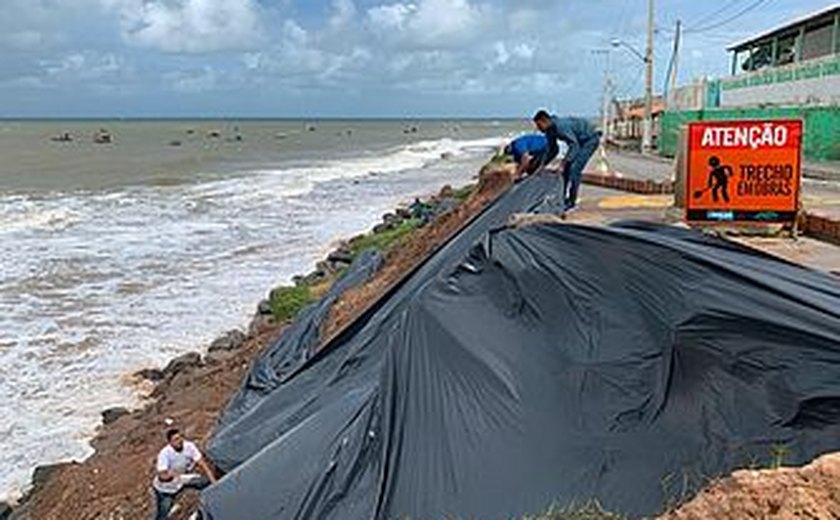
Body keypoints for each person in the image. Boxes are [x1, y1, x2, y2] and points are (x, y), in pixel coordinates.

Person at [533, 110, 601, 212]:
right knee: (566, 171)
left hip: (590, 140)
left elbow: (574, 145)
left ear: (544, 121)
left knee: (574, 169)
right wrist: (541, 166)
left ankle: (571, 201)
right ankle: (562, 197)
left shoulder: (560, 127)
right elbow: (553, 150)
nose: (538, 129)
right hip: (579, 141)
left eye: (539, 125)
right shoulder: (549, 131)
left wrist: (563, 164)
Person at [153, 428, 217, 520]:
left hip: (181, 480)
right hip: (165, 488)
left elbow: (202, 463)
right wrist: (171, 475)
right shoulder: (165, 454)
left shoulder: (189, 446)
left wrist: (214, 482)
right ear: (170, 443)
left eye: (180, 438)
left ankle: (206, 507)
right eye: (175, 440)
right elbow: (162, 475)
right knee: (163, 512)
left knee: (205, 482)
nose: (179, 441)